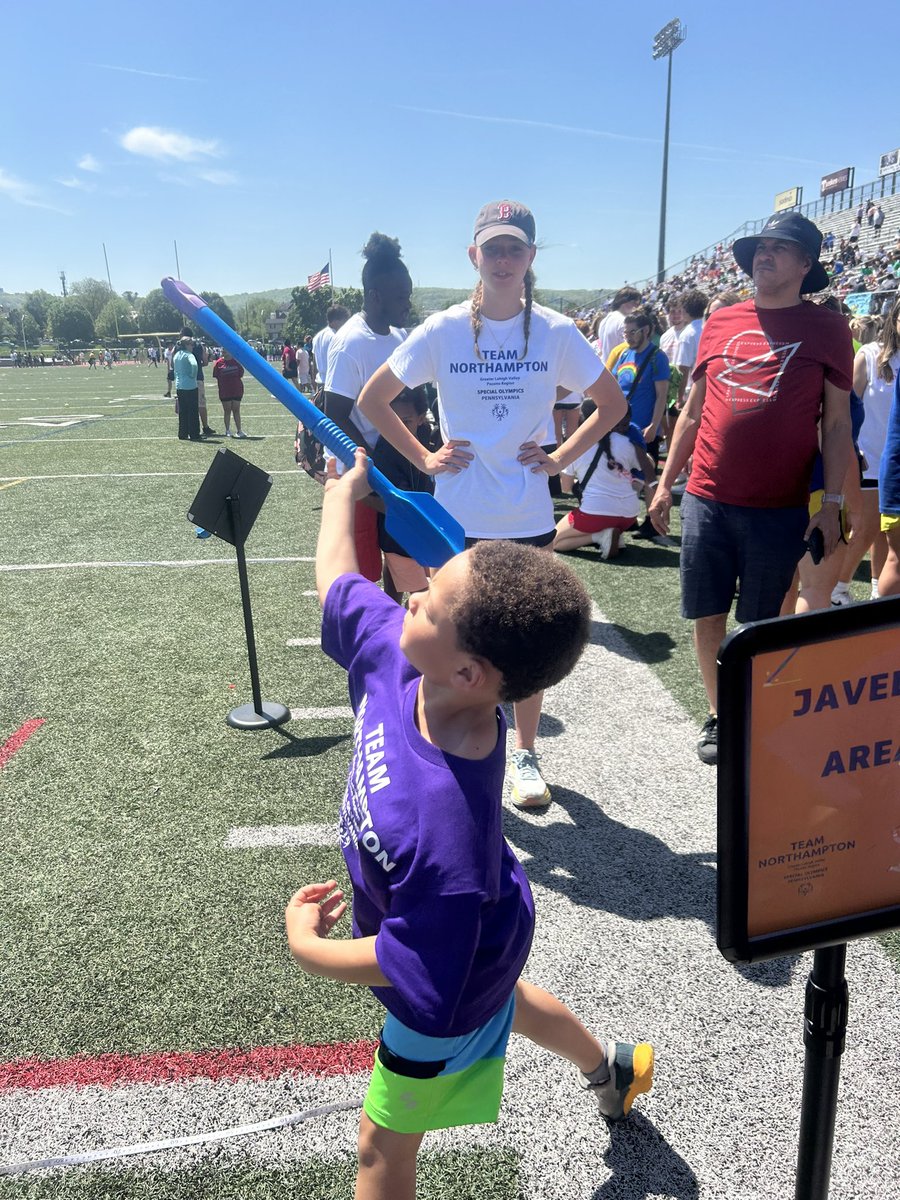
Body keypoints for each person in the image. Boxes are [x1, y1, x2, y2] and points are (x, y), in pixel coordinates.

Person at [285, 449, 654, 1200]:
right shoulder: (400, 658)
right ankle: (612, 1068)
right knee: (506, 995)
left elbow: (410, 961)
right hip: (484, 927)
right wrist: (341, 496)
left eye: (429, 598)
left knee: (381, 1150)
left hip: (446, 969)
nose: (410, 594)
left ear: (470, 675)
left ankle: (609, 1069)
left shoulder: (442, 826)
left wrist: (308, 950)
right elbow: (338, 585)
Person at [357, 200, 626, 808]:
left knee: (524, 649)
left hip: (527, 516)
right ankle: (439, 752)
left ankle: (524, 755)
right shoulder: (444, 328)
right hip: (457, 517)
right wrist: (425, 458)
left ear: (531, 257)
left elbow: (610, 404)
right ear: (474, 255)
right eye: (494, 248)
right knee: (452, 643)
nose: (504, 260)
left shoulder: (557, 331)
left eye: (516, 248)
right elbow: (376, 400)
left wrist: (559, 459)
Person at [649, 212, 854, 765]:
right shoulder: (720, 320)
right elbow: (691, 412)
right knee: (708, 613)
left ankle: (758, 712)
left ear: (805, 264)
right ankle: (722, 718)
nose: (765, 254)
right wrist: (667, 483)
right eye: (761, 246)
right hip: (708, 497)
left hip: (779, 505)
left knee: (763, 622)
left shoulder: (830, 328)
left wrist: (832, 503)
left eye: (780, 248)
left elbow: (836, 425)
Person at [325, 233, 414, 586]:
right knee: (362, 573)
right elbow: (334, 413)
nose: (407, 304)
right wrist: (373, 463)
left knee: (400, 558)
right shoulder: (350, 342)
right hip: (361, 473)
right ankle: (362, 639)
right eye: (400, 297)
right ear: (375, 297)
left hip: (395, 466)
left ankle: (393, 632)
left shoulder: (399, 337)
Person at [832, 304, 897, 604]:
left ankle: (875, 589)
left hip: (892, 459)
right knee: (865, 527)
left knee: (887, 534)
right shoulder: (870, 354)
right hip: (870, 457)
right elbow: (849, 406)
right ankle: (837, 588)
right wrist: (852, 448)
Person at [553, 407, 657, 559]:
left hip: (595, 513)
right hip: (629, 515)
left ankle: (600, 536)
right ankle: (612, 534)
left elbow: (566, 487)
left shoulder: (575, 446)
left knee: (555, 541)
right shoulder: (625, 441)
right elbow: (650, 464)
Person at [594, 287, 642, 362]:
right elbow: (629, 350)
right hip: (620, 368)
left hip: (607, 366)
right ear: (625, 301)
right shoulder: (624, 322)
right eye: (636, 303)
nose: (637, 307)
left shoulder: (604, 320)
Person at [312, 304, 350, 392]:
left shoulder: (317, 337)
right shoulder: (336, 337)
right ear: (336, 321)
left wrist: (314, 382)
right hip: (333, 384)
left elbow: (314, 364)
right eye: (344, 321)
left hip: (320, 382)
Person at [212, 349, 247, 437]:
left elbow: (241, 374)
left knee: (236, 410)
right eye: (223, 350)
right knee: (227, 410)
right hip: (225, 390)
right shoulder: (218, 363)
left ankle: (239, 430)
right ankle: (227, 430)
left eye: (226, 350)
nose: (224, 352)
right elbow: (216, 375)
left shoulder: (236, 362)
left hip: (236, 389)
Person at [173, 336, 201, 441]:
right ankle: (194, 434)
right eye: (191, 345)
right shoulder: (189, 355)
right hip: (190, 386)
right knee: (193, 411)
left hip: (179, 386)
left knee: (183, 411)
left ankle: (183, 433)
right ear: (187, 345)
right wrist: (193, 375)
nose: (193, 347)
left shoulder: (176, 355)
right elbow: (194, 365)